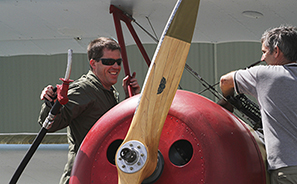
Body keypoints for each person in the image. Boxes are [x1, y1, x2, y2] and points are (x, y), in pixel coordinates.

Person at [38, 37, 141, 184]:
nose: (116, 67)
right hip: (83, 176)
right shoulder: (84, 89)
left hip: (100, 174)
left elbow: (114, 129)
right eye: (108, 62)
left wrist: (130, 98)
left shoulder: (107, 91)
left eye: (118, 62)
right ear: (93, 63)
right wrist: (51, 103)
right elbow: (51, 124)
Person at [220, 25, 297, 184]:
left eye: (264, 52)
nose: (262, 59)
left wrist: (228, 100)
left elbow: (225, 81)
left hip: (288, 169)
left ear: (276, 51)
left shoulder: (264, 74)